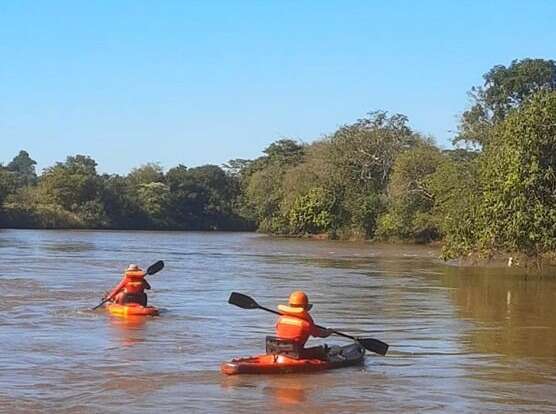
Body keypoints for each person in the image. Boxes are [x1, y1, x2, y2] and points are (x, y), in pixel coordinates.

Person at [273, 291, 332, 359]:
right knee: (322, 349)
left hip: (278, 351)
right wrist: (329, 331)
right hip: (296, 354)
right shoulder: (306, 324)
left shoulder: (281, 319)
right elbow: (321, 334)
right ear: (305, 307)